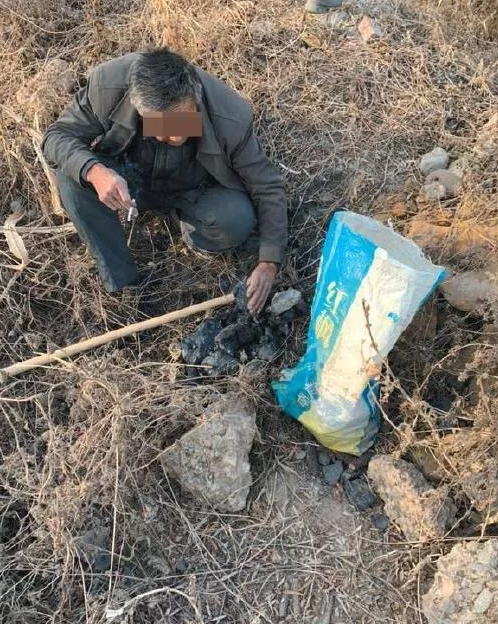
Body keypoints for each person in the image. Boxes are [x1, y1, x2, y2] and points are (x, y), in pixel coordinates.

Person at [42, 47, 288, 315]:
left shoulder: (230, 115)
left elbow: (267, 186)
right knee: (72, 179)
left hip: (194, 188)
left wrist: (269, 261)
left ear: (194, 98)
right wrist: (95, 171)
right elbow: (57, 136)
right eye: (161, 126)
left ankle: (182, 223)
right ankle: (125, 283)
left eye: (182, 122)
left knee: (236, 218)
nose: (175, 136)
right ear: (138, 106)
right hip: (130, 178)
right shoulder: (108, 85)